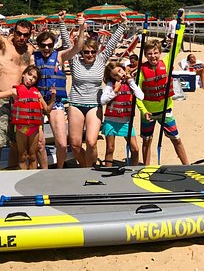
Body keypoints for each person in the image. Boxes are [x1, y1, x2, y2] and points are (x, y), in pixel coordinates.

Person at [60, 11, 128, 167]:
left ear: (96, 52)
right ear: (81, 52)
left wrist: (123, 24)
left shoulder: (101, 59)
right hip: (76, 103)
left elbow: (112, 43)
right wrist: (62, 23)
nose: (89, 54)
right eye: (86, 52)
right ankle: (87, 167)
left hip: (94, 105)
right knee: (76, 145)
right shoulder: (74, 60)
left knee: (91, 142)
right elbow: (66, 43)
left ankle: (90, 170)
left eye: (92, 51)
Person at [0, 0, 34, 171]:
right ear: (14, 31)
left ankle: (12, 171)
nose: (22, 38)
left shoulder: (30, 50)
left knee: (16, 141)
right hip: (2, 98)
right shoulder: (3, 45)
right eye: (19, 34)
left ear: (30, 35)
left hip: (20, 100)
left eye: (25, 35)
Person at [33, 13, 86, 168]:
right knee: (40, 144)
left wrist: (82, 27)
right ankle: (43, 170)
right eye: (43, 45)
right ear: (39, 45)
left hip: (55, 103)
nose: (47, 48)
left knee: (62, 144)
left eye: (50, 45)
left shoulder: (60, 56)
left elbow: (78, 47)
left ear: (53, 45)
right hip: (38, 102)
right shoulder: (32, 57)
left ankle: (59, 169)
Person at [136, 20, 189, 165]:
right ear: (145, 55)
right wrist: (144, 110)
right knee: (147, 141)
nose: (153, 56)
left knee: (176, 138)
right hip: (148, 113)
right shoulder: (141, 71)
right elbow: (137, 94)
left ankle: (187, 165)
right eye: (149, 54)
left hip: (166, 110)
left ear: (160, 53)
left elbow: (176, 46)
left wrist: (181, 26)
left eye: (155, 53)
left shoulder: (165, 63)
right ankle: (146, 167)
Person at [0, 66, 56, 169]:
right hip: (21, 129)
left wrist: (53, 97)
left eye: (34, 77)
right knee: (22, 156)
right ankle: (23, 176)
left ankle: (32, 179)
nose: (31, 78)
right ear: (24, 74)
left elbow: (48, 109)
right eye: (29, 75)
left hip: (34, 129)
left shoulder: (37, 93)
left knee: (32, 156)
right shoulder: (15, 91)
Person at [101, 61, 144, 166]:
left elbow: (141, 96)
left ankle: (133, 169)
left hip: (126, 122)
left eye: (120, 71)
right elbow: (102, 100)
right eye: (115, 75)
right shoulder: (111, 85)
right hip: (111, 121)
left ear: (123, 69)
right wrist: (115, 91)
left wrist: (131, 82)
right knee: (110, 148)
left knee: (135, 149)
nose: (120, 75)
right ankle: (108, 169)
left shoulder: (131, 83)